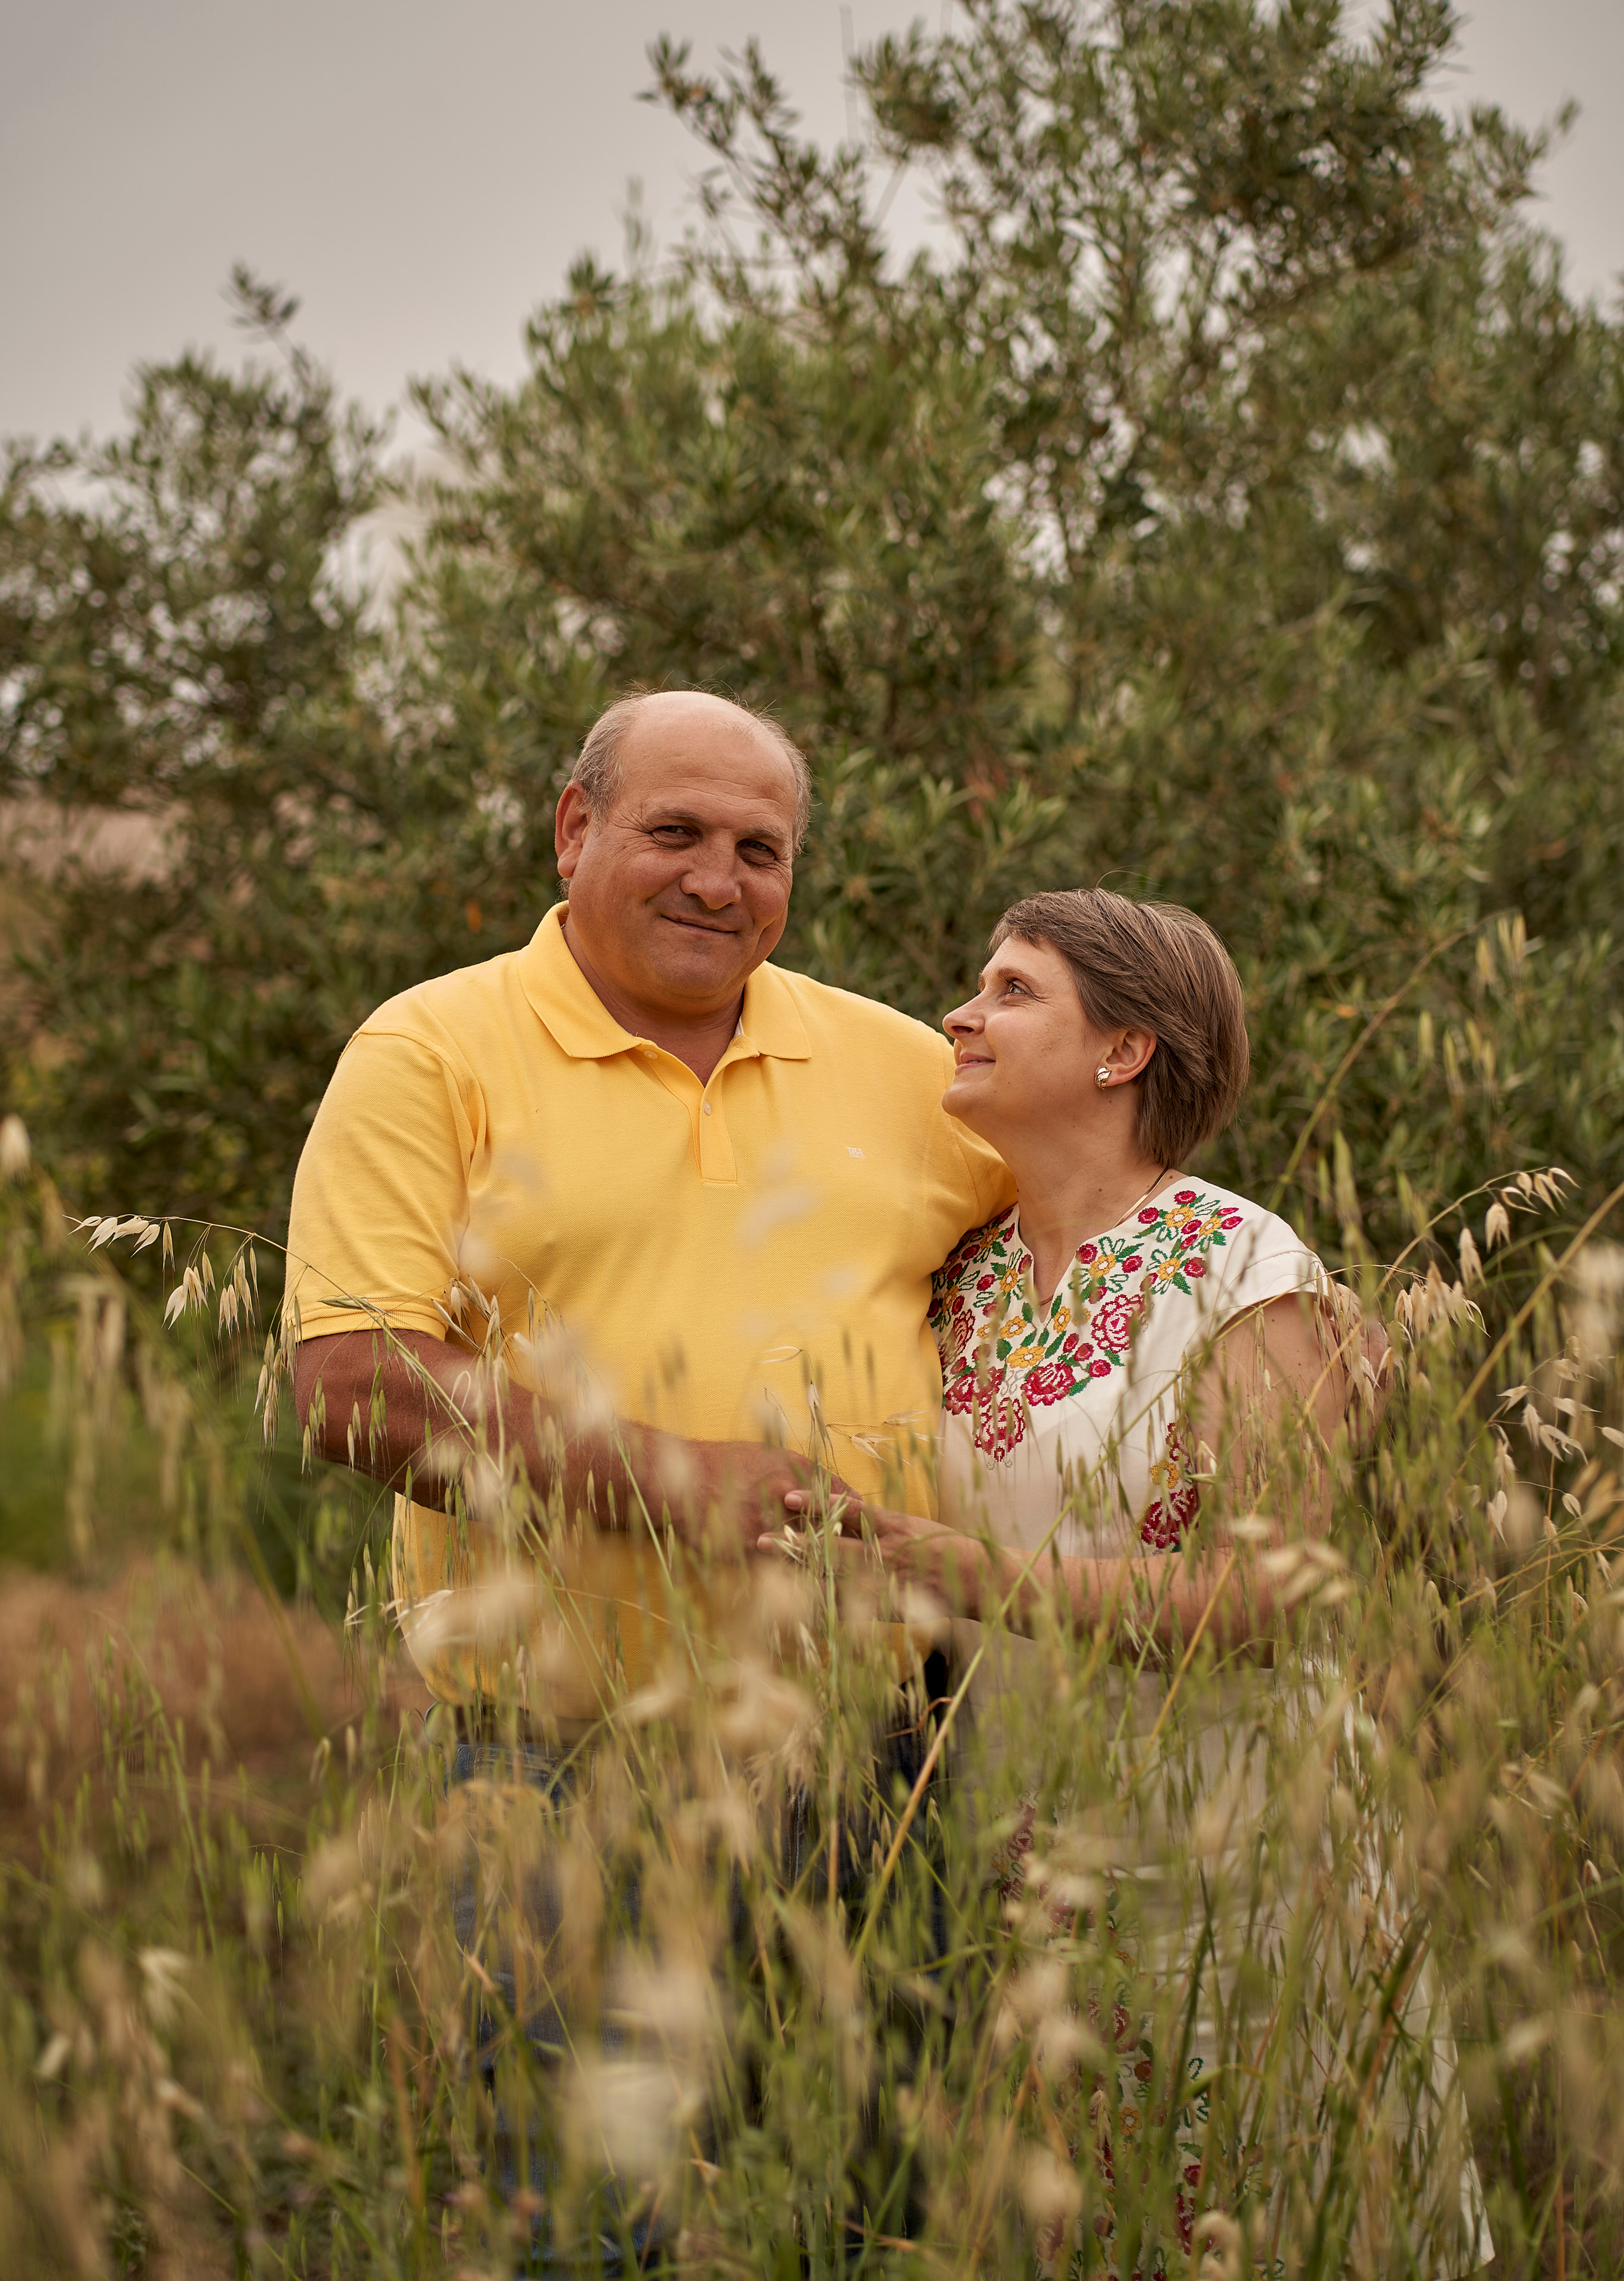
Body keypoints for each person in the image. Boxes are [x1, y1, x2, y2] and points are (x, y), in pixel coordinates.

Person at [773, 889, 1493, 2277]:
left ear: (1123, 1051)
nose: (960, 1016)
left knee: (1253, 2202)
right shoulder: (959, 1280)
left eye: (1012, 991)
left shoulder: (1247, 1271)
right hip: (1018, 1846)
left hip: (1234, 1845)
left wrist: (975, 1574)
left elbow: (1265, 1600)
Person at [286, 684, 1011, 1719]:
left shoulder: (911, 1067)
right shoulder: (428, 1053)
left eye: (759, 851)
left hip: (876, 1733)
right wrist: (677, 1484)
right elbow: (351, 1387)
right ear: (574, 830)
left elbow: (1102, 1229)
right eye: (675, 833)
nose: (717, 883)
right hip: (555, 1748)